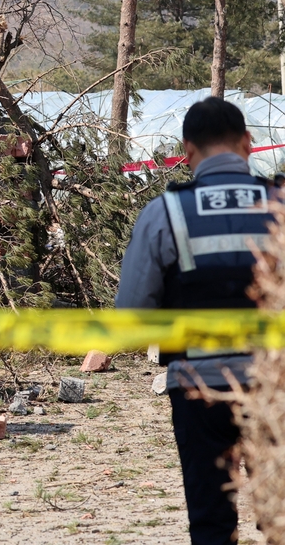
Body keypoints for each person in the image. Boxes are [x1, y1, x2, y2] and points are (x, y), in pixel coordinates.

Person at [117, 96, 276, 545]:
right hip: (274, 389)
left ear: (186, 152)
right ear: (248, 143)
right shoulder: (281, 204)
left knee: (212, 523)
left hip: (197, 389)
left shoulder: (164, 214)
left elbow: (131, 315)